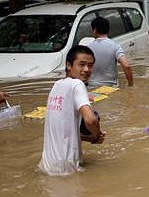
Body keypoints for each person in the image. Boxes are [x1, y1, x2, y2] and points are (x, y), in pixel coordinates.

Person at [38, 45, 105, 176]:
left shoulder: (56, 86)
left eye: (90, 65)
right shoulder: (77, 84)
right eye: (82, 64)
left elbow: (63, 132)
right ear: (69, 65)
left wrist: (88, 138)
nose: (87, 69)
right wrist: (96, 136)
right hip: (66, 169)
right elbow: (91, 120)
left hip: (47, 166)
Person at [87, 16, 133, 87]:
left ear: (95, 30)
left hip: (92, 87)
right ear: (108, 30)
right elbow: (126, 66)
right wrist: (131, 85)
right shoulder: (115, 46)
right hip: (111, 87)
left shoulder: (88, 48)